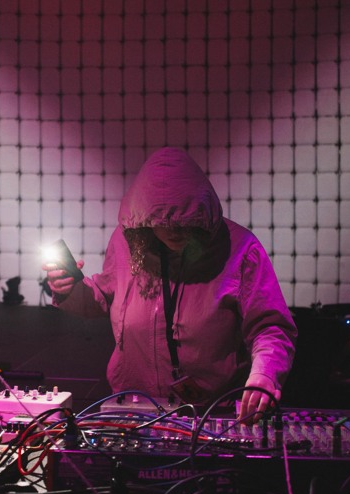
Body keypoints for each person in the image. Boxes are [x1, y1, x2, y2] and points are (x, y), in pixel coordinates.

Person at [43, 147, 297, 423]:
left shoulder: (241, 249)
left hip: (211, 413)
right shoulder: (126, 241)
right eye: (163, 222)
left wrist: (264, 374)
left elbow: (270, 327)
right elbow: (106, 297)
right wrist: (71, 289)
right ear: (143, 218)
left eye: (183, 221)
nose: (174, 230)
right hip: (134, 407)